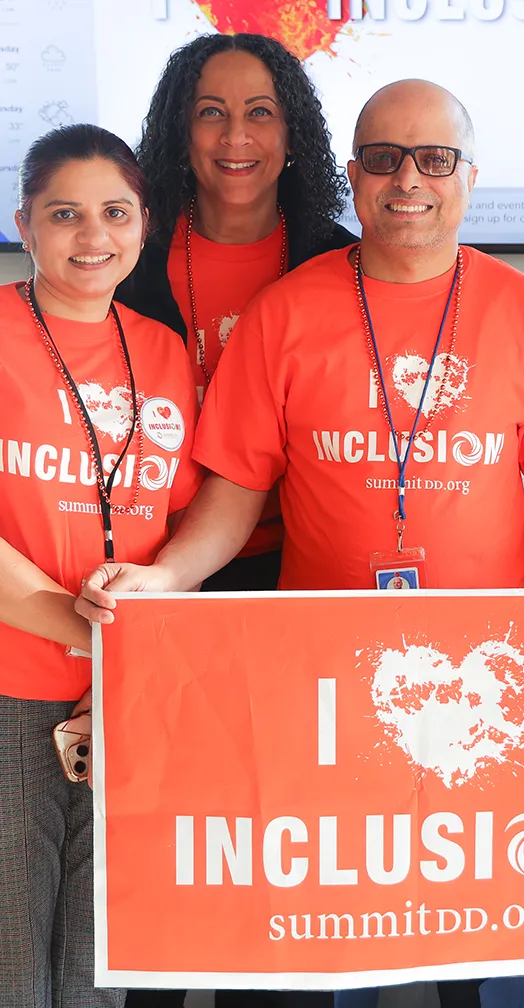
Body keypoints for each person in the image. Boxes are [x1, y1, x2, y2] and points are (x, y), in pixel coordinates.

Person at [75, 81, 524, 1008]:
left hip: (485, 693)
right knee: (315, 938)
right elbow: (238, 492)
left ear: (470, 176)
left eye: (434, 159)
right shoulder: (286, 312)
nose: (408, 180)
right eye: (383, 158)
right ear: (352, 174)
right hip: (322, 691)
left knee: (477, 948)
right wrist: (164, 579)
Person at [0, 124, 202, 1008]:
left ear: (144, 225)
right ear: (23, 224)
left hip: (131, 698)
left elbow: (182, 523)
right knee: (13, 963)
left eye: (115, 213)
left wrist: (121, 662)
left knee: (99, 968)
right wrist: (94, 643)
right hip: (13, 690)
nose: (93, 236)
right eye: (65, 214)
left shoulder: (164, 353)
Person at [116, 31, 355, 594]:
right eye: (211, 112)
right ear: (181, 133)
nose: (236, 135)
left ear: (292, 132)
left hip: (303, 565)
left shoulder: (341, 264)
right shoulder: (126, 261)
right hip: (149, 561)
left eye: (261, 112)